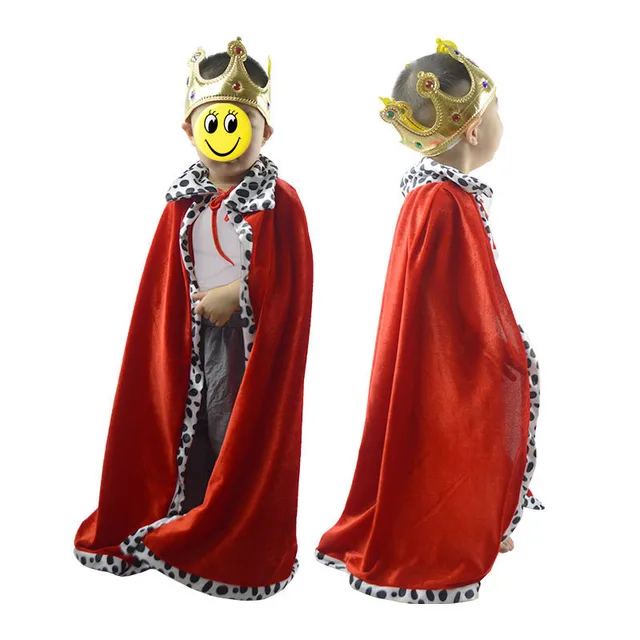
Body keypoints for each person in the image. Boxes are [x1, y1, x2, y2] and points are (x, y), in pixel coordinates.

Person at [73, 37, 314, 601]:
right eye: (212, 123)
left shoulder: (279, 202)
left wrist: (238, 295)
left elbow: (291, 285)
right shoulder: (180, 202)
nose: (225, 136)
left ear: (265, 132)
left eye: (239, 123)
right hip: (186, 340)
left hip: (247, 347)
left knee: (237, 431)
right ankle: (187, 519)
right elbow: (161, 288)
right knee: (188, 426)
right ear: (190, 130)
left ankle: (227, 531)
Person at [315, 38, 543, 604]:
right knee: (492, 399)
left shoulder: (432, 195)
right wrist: (507, 347)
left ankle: (477, 515)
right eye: (497, 111)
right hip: (448, 357)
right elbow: (466, 300)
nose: (503, 123)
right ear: (474, 130)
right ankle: (451, 531)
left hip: (434, 352)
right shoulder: (445, 202)